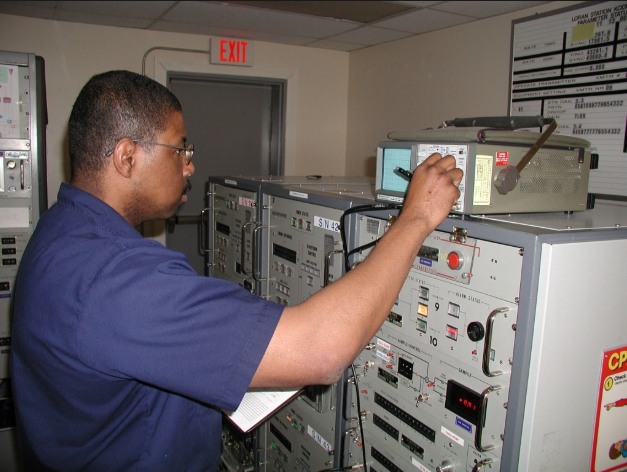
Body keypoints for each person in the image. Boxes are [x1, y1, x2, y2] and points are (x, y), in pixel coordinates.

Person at [10, 70, 462, 471]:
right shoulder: (118, 277)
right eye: (180, 148)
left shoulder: (59, 231)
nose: (190, 165)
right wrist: (415, 219)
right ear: (127, 156)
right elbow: (321, 352)